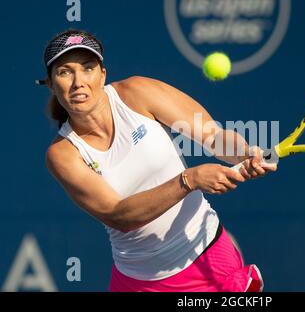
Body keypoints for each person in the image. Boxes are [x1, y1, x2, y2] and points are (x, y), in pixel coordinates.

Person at [40, 29, 277, 292]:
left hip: (208, 259)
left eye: (87, 68)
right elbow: (119, 215)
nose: (78, 82)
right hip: (140, 283)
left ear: (102, 74)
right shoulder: (63, 153)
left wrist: (246, 153)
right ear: (51, 84)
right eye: (64, 72)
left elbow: (213, 136)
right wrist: (189, 180)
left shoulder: (137, 92)